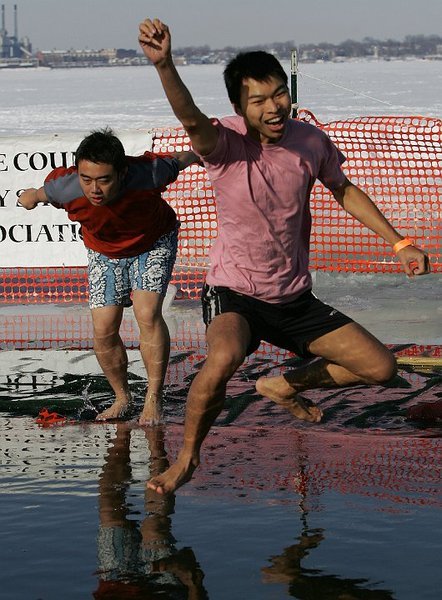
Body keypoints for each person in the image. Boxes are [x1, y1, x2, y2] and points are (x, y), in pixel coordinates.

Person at [138, 18, 430, 494]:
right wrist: (165, 65)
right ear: (239, 107)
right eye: (259, 101)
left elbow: (343, 188)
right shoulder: (223, 142)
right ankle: (187, 459)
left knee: (381, 368)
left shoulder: (309, 141)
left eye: (279, 94)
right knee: (223, 358)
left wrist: (399, 242)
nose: (274, 107)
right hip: (235, 292)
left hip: (293, 296)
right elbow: (190, 117)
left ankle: (287, 385)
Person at [19, 128, 200, 425]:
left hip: (153, 241)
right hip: (104, 251)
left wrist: (199, 155)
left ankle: (154, 399)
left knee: (147, 313)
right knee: (103, 329)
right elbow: (41, 194)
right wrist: (30, 197)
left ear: (122, 173)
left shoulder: (148, 174)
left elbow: (180, 158)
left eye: (104, 179)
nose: (94, 189)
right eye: (87, 179)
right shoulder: (66, 187)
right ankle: (122, 398)